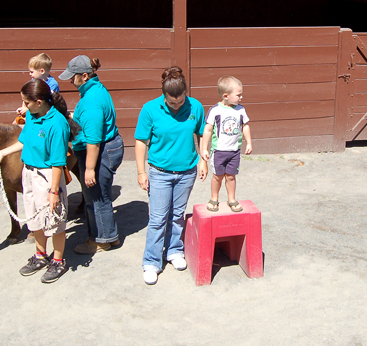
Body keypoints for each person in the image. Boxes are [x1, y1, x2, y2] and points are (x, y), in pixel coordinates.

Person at [0, 79, 71, 284]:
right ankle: (41, 255)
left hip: (48, 176)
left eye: (26, 102)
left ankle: (58, 260)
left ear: (39, 101)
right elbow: (24, 141)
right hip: (29, 172)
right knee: (34, 219)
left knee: (54, 221)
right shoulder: (33, 117)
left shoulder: (57, 124)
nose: (23, 107)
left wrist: (53, 192)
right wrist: (2, 152)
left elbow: (58, 163)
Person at [135, 66, 208, 285]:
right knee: (157, 218)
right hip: (159, 173)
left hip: (187, 172)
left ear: (186, 92)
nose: (177, 106)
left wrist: (204, 159)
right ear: (164, 95)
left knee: (177, 215)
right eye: (172, 102)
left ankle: (174, 251)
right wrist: (141, 172)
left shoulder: (195, 106)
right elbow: (141, 141)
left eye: (180, 101)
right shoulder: (150, 109)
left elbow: (203, 134)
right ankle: (151, 261)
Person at [58, 55, 124, 254]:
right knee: (100, 195)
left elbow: (93, 140)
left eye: (73, 77)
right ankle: (109, 236)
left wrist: (88, 169)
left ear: (84, 76)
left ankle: (101, 240)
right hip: (107, 146)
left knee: (96, 197)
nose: (70, 80)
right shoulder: (95, 89)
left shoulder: (91, 103)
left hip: (99, 151)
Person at [200, 76, 252, 213]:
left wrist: (249, 143)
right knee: (217, 176)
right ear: (226, 96)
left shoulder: (241, 110)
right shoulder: (215, 110)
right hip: (218, 151)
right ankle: (214, 198)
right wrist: (204, 148)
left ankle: (232, 199)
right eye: (238, 94)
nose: (241, 97)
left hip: (234, 151)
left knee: (231, 176)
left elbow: (245, 126)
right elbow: (207, 129)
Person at [16, 53, 60, 118]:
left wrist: (28, 109)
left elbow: (46, 104)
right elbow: (27, 97)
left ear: (42, 71)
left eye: (32, 72)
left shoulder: (52, 85)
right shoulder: (33, 81)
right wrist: (23, 108)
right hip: (34, 110)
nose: (29, 74)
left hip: (47, 115)